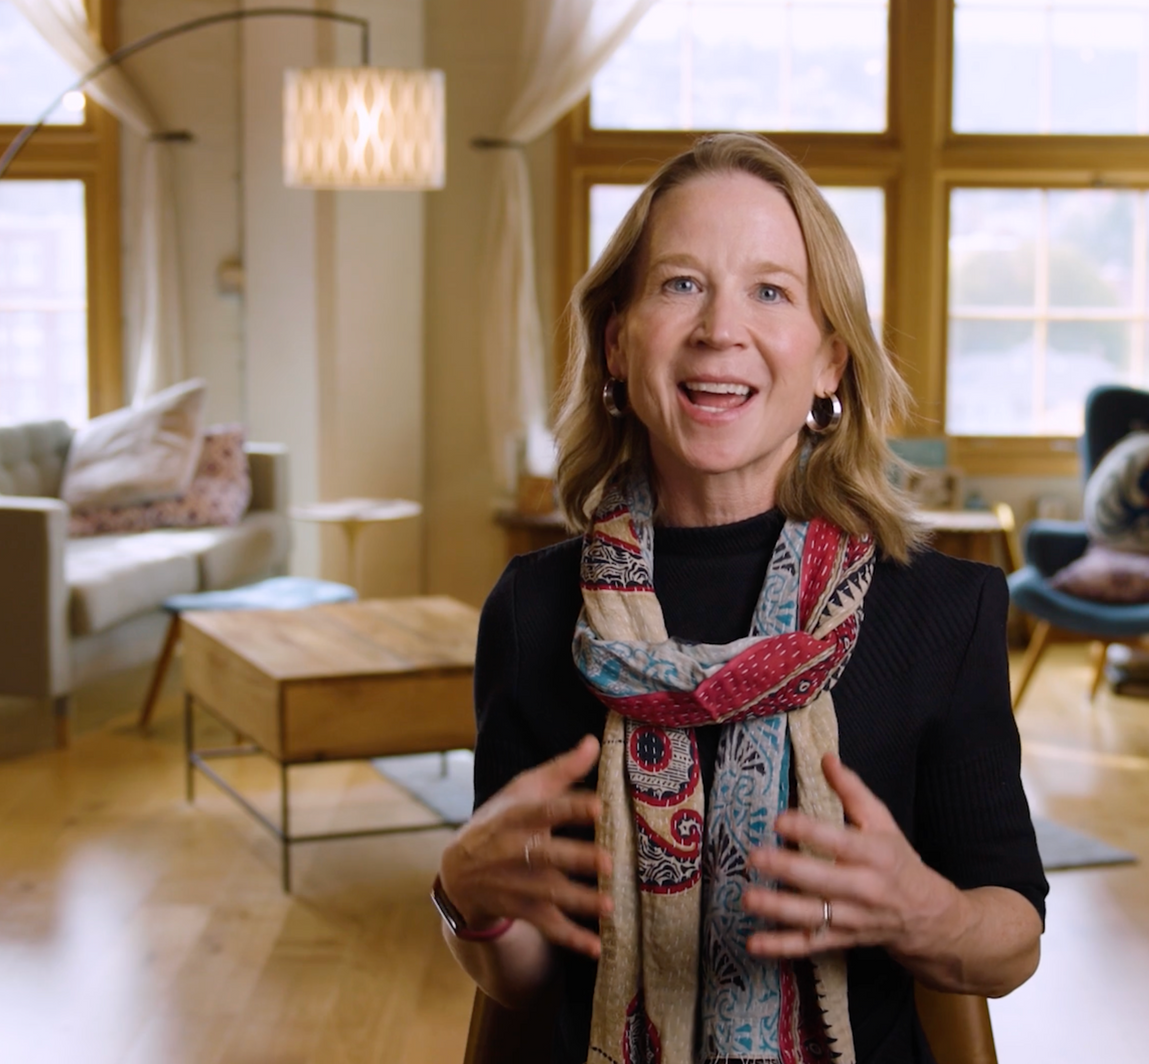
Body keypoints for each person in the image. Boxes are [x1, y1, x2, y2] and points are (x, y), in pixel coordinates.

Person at [434, 132, 1046, 1064]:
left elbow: (1011, 939)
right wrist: (464, 897)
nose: (722, 329)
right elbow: (522, 978)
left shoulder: (944, 610)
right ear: (616, 342)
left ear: (830, 362)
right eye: (680, 284)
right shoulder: (532, 607)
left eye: (771, 291)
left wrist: (929, 914)